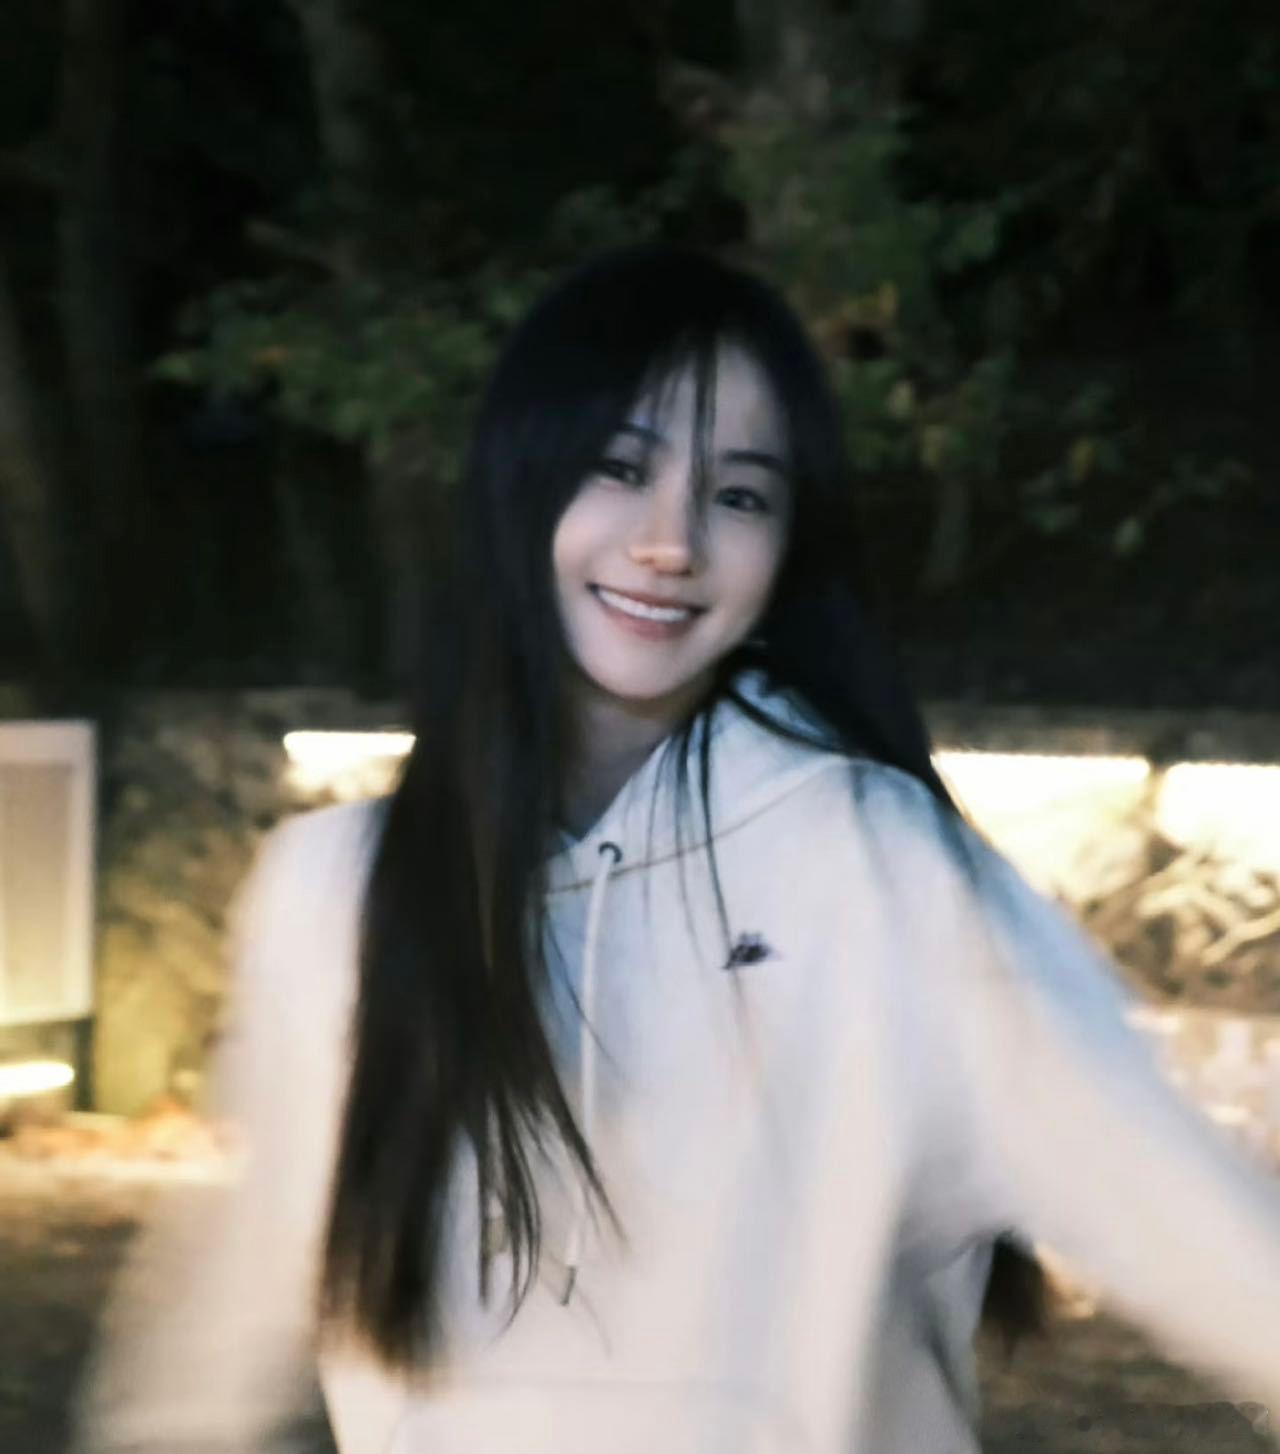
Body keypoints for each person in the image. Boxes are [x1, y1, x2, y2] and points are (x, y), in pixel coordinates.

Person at [77, 246, 1280, 1454]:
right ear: (519, 481)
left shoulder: (877, 868)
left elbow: (1187, 1220)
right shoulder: (335, 888)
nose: (670, 541)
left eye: (739, 495)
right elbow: (219, 1326)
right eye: (619, 466)